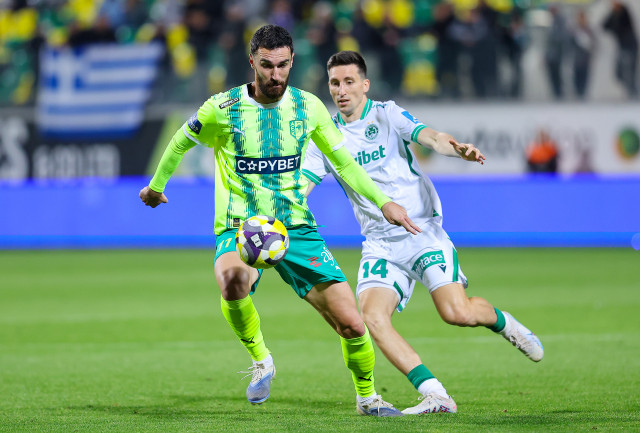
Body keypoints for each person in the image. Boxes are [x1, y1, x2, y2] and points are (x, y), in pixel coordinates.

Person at [139, 25, 421, 417]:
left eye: (283, 65)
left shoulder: (309, 107)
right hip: (241, 225)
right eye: (267, 65)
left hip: (296, 227)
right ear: (252, 62)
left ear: (292, 62)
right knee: (232, 280)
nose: (275, 74)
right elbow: (180, 141)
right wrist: (156, 187)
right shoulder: (222, 108)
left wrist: (384, 201)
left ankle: (368, 398)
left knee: (352, 325)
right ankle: (261, 360)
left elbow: (344, 164)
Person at [302, 51, 544, 415]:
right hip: (380, 243)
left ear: (365, 85)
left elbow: (430, 136)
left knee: (456, 312)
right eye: (335, 83)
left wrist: (456, 150)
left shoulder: (386, 114)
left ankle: (504, 323)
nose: (341, 90)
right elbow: (302, 185)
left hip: (421, 232)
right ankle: (436, 395)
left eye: (349, 82)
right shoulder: (325, 137)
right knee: (372, 318)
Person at [602, 0, 638, 97]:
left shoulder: (624, 13)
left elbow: (618, 27)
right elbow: (604, 25)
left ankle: (633, 92)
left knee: (629, 72)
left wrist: (614, 17)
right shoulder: (614, 14)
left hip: (630, 47)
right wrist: (612, 13)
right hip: (622, 47)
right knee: (619, 73)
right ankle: (631, 90)